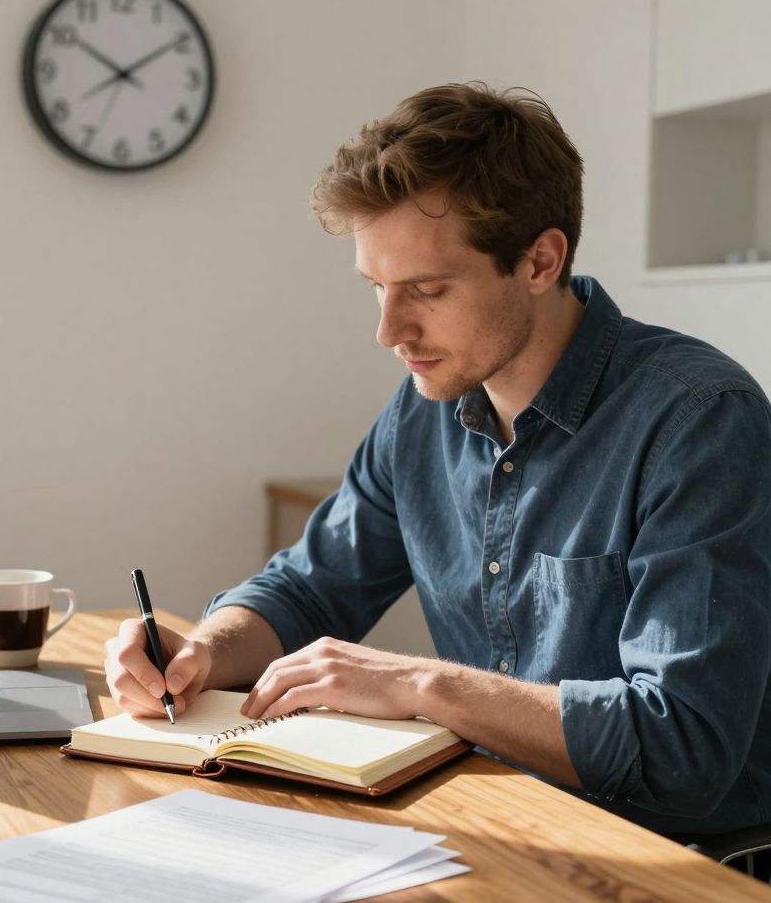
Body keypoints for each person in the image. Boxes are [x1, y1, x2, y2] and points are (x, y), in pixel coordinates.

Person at [105, 82, 771, 837]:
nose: (390, 331)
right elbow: (311, 589)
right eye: (377, 288)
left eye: (426, 289)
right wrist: (201, 649)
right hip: (489, 821)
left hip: (673, 864)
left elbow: (683, 748)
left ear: (540, 261)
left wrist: (421, 685)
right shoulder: (423, 410)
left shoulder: (698, 418)